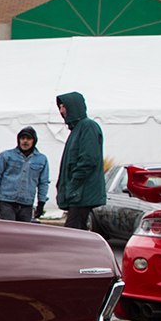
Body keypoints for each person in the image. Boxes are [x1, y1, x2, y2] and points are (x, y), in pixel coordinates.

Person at [54, 91, 106, 231]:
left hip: (82, 194)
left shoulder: (88, 126)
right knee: (77, 232)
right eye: (60, 107)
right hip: (77, 195)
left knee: (72, 233)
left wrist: (73, 184)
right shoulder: (76, 131)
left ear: (74, 106)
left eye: (64, 106)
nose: (61, 111)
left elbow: (88, 159)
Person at [0, 126, 49, 222]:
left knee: (23, 234)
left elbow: (43, 182)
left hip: (26, 203)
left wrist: (41, 202)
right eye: (22, 138)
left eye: (28, 138)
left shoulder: (41, 159)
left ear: (34, 141)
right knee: (8, 231)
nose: (25, 141)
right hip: (6, 201)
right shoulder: (6, 156)